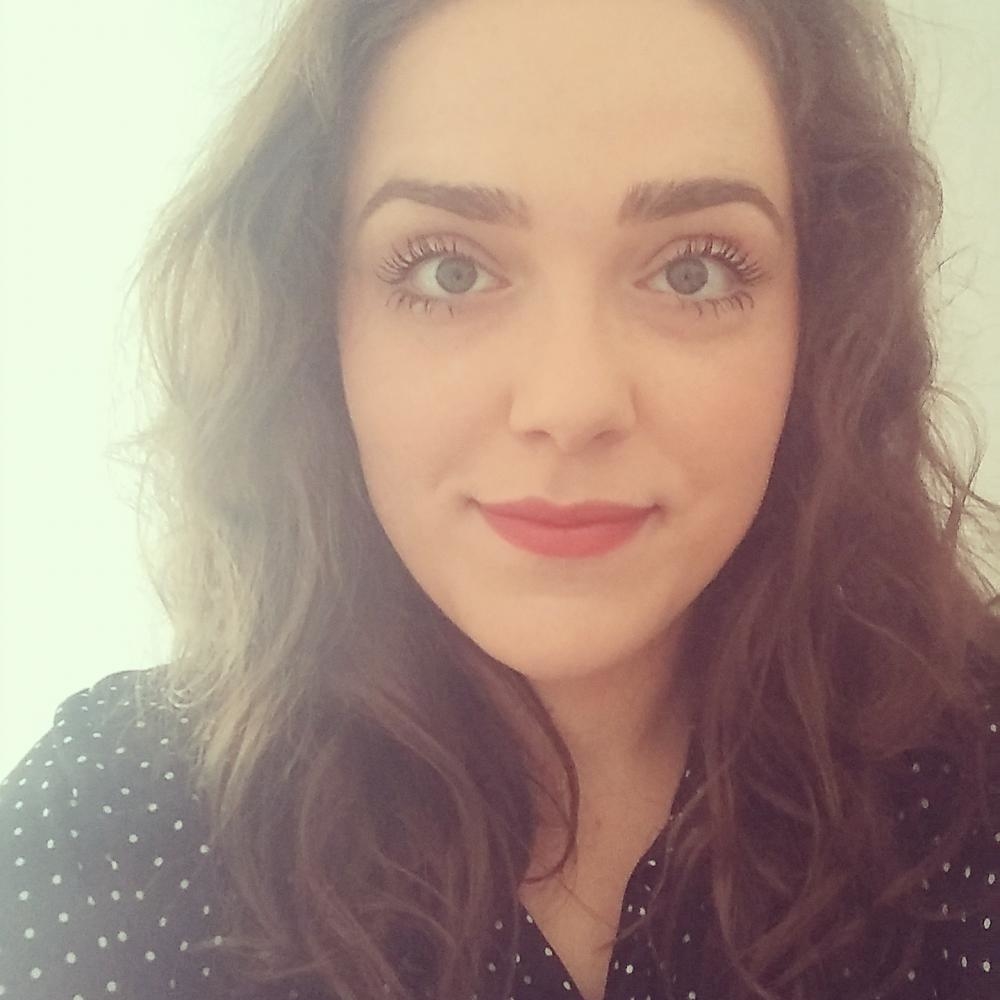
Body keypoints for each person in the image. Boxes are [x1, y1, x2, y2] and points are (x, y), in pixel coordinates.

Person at [2, 0, 999, 997]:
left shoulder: (974, 776)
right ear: (314, 321)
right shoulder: (117, 828)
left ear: (819, 326)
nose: (571, 403)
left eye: (693, 271)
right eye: (450, 269)